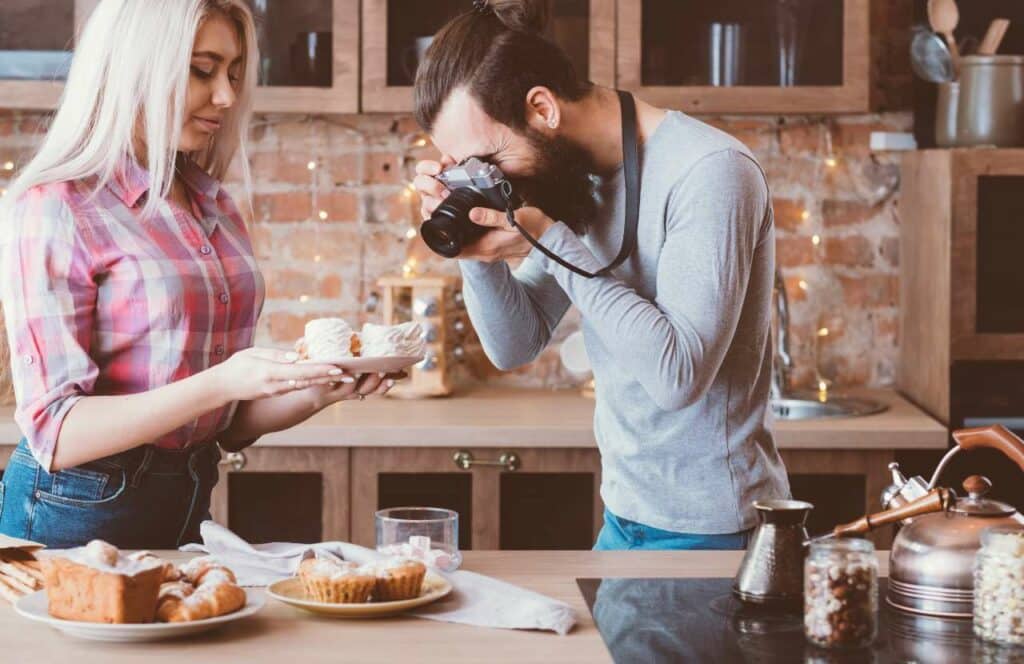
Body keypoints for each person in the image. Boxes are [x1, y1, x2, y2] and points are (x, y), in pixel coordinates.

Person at [0, 0, 393, 549]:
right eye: (201, 70)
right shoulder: (58, 206)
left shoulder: (212, 202)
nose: (227, 96)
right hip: (73, 510)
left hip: (186, 495)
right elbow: (55, 431)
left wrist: (319, 389)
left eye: (233, 74)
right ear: (135, 66)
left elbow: (223, 419)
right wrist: (224, 380)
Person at [412, 0, 789, 550]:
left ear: (542, 108)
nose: (488, 178)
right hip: (624, 513)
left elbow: (678, 375)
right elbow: (515, 344)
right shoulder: (572, 177)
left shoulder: (709, 173)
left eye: (489, 160)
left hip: (715, 529)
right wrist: (476, 246)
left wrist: (548, 237)